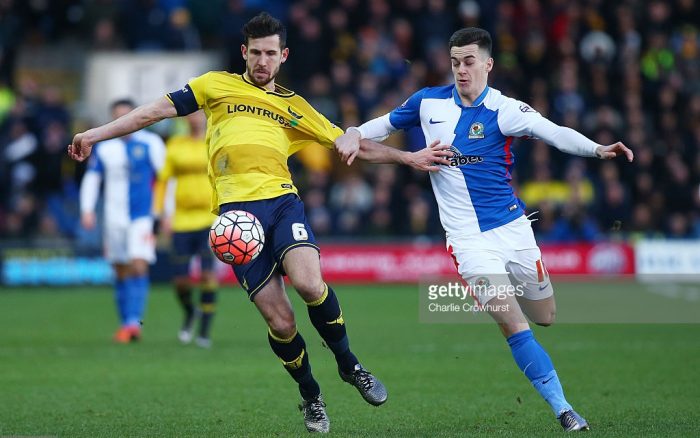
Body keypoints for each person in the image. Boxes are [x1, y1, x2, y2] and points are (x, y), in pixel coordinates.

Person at [68, 12, 417, 434]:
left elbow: (353, 145)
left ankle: (350, 365)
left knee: (309, 284)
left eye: (271, 53)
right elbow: (151, 113)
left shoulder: (295, 107)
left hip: (282, 204)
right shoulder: (215, 85)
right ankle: (311, 396)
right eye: (256, 53)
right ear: (244, 53)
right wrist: (94, 135)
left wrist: (408, 158)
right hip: (235, 220)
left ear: (284, 55)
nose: (263, 61)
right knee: (281, 322)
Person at [336, 27, 634, 432]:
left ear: (488, 64)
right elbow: (380, 125)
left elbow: (555, 133)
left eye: (470, 61)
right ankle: (565, 410)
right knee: (515, 325)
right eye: (455, 62)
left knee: (544, 315)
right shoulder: (427, 102)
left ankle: (517, 303)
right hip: (468, 241)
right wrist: (353, 133)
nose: (461, 70)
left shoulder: (505, 109)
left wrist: (597, 149)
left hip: (513, 229)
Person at [79, 99, 165, 343]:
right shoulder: (106, 148)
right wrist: (87, 209)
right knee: (120, 269)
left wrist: (164, 211)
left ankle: (132, 323)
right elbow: (93, 179)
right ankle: (126, 322)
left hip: (142, 216)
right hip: (113, 216)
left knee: (139, 264)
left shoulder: (152, 143)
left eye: (127, 116)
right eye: (118, 117)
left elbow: (165, 178)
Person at [153, 110, 218, 348]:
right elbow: (163, 181)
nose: (195, 118)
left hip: (210, 219)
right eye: (191, 114)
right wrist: (161, 214)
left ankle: (204, 332)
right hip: (181, 220)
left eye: (199, 113)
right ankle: (191, 312)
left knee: (208, 276)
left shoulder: (215, 140)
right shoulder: (175, 145)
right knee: (180, 280)